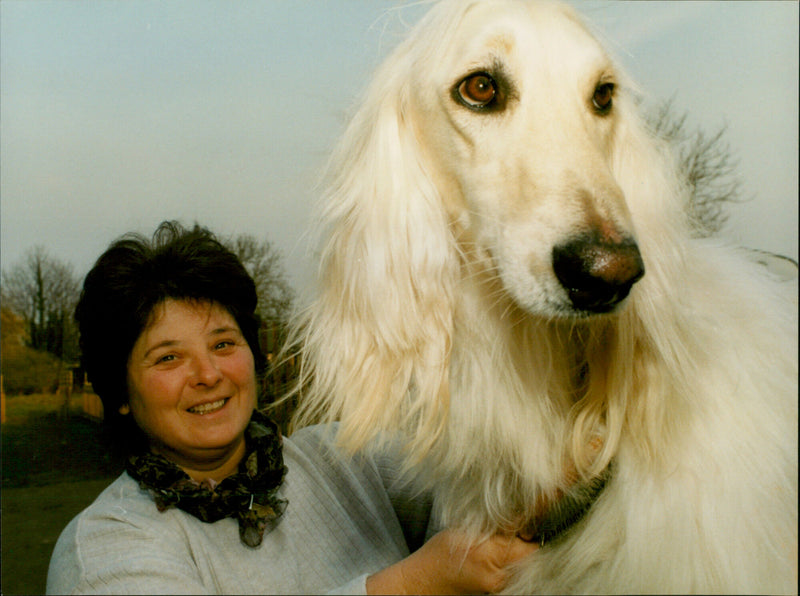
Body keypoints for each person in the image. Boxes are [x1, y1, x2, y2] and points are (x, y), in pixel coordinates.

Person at [46, 221, 538, 595]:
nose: (207, 374)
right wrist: (413, 584)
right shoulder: (102, 549)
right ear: (121, 393)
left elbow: (491, 482)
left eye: (223, 344)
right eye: (168, 357)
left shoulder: (345, 457)